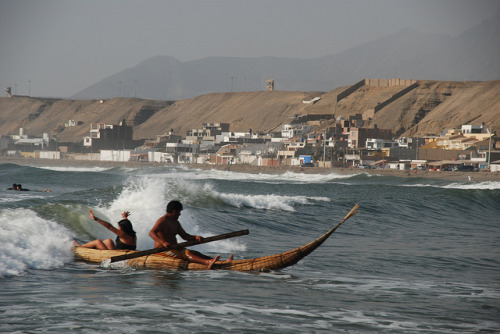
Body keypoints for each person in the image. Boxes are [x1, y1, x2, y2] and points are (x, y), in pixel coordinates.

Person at [149, 200, 231, 269]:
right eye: (179, 212)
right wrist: (163, 242)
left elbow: (185, 236)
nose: (180, 214)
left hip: (174, 249)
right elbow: (151, 233)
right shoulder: (162, 220)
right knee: (186, 252)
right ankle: (208, 262)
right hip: (162, 250)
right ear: (174, 211)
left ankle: (221, 262)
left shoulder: (176, 223)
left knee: (195, 253)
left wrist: (196, 237)